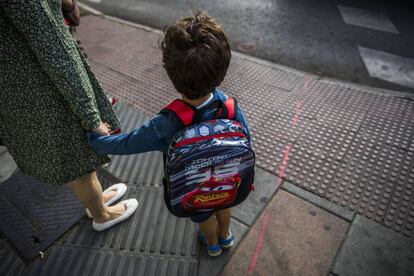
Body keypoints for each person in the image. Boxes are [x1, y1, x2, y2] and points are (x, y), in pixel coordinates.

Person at [88, 11, 250, 256]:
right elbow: (246, 141)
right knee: (224, 205)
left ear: (170, 72)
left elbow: (127, 144)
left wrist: (95, 140)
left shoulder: (166, 124)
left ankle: (213, 244)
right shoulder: (230, 107)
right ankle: (226, 236)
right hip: (228, 181)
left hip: (194, 187)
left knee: (204, 215)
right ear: (222, 68)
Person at [0, 0, 137, 231]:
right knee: (81, 162)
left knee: (73, 160)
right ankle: (101, 215)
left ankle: (96, 201)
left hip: (20, 87)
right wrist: (91, 117)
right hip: (45, 87)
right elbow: (56, 50)